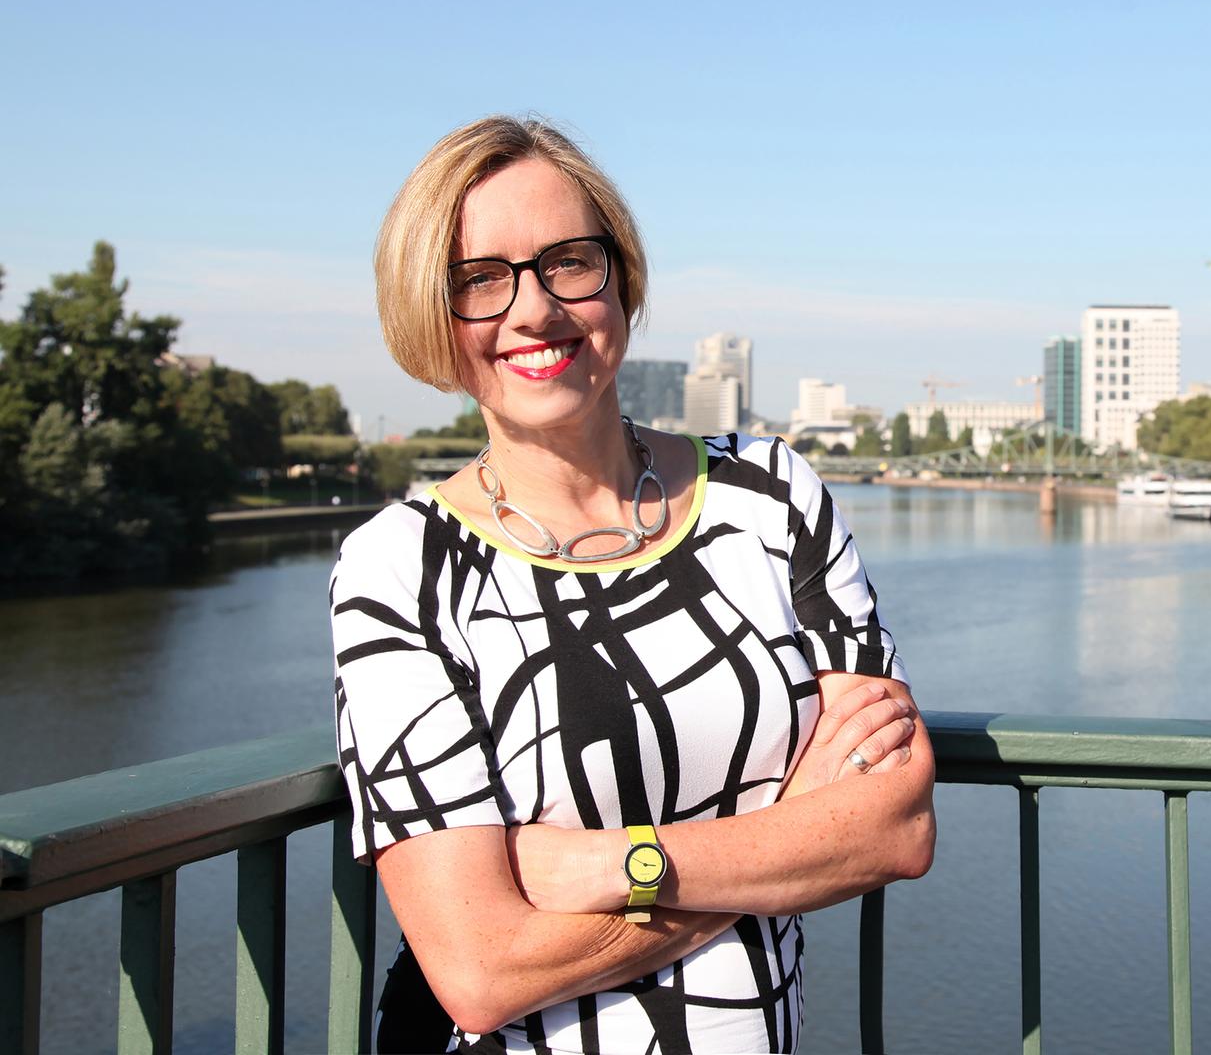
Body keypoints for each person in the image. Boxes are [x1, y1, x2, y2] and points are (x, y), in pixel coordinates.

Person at [330, 116, 935, 1055]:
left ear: (621, 275)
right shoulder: (401, 568)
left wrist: (602, 865)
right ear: (432, 317)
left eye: (568, 261)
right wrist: (789, 837)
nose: (533, 311)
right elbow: (484, 971)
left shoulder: (770, 493)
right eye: (478, 281)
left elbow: (893, 827)